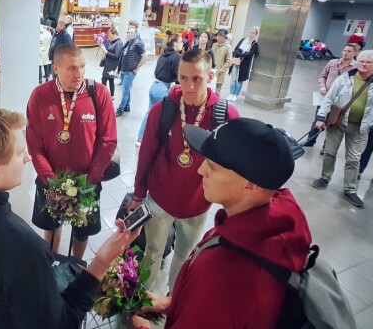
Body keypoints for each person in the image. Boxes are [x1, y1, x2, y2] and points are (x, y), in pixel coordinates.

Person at [0, 107, 140, 329]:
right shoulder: (21, 246)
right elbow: (60, 323)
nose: (28, 158)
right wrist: (101, 262)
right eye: (20, 151)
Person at [132, 118, 312, 329]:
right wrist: (172, 303)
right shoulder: (257, 223)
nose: (200, 171)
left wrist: (141, 327)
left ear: (250, 184)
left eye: (213, 167)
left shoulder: (228, 273)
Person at [129, 49, 239, 292]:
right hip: (160, 199)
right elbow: (146, 154)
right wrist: (138, 194)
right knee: (153, 251)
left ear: (210, 76)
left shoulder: (225, 115)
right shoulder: (163, 110)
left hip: (197, 203)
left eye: (196, 78)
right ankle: (142, 301)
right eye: (183, 78)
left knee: (184, 256)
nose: (189, 86)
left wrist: (232, 206)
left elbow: (233, 168)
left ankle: (173, 300)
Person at [27, 44, 117, 259]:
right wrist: (51, 181)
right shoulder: (40, 95)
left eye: (82, 66)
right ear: (56, 68)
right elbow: (34, 145)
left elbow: (108, 141)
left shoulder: (98, 93)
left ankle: (76, 266)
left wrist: (91, 180)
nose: (79, 74)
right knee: (51, 227)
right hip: (50, 181)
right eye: (72, 68)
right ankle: (51, 264)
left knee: (82, 231)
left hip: (88, 183)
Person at [311, 50, 373, 208]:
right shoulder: (344, 79)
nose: (363, 64)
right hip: (337, 122)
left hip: (361, 127)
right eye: (361, 61)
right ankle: (325, 177)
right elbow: (329, 99)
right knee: (329, 152)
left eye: (368, 62)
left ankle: (349, 188)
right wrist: (321, 117)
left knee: (354, 159)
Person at [302, 43, 358, 147]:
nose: (345, 53)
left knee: (333, 123)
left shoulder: (356, 68)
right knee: (318, 119)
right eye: (344, 50)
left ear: (355, 53)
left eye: (349, 51)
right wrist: (322, 86)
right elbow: (323, 76)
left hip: (341, 100)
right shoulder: (333, 63)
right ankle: (310, 141)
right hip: (325, 97)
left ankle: (326, 146)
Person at [136, 39, 183, 146]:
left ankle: (141, 137)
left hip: (154, 85)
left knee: (150, 112)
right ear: (175, 44)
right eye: (180, 42)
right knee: (167, 114)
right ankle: (161, 139)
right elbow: (177, 75)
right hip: (163, 88)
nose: (182, 44)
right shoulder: (177, 57)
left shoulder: (163, 54)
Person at [115, 26, 147, 117]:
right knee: (127, 89)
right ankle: (127, 106)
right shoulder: (128, 43)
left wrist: (137, 67)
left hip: (130, 71)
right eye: (128, 32)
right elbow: (122, 56)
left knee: (124, 91)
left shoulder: (137, 44)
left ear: (136, 34)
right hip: (124, 70)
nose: (129, 34)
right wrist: (119, 69)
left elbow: (145, 57)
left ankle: (121, 109)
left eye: (132, 32)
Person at [228, 26, 259, 101]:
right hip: (236, 62)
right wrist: (238, 53)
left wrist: (240, 54)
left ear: (256, 34)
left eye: (253, 33)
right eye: (250, 32)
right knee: (233, 79)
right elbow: (235, 49)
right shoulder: (243, 40)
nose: (251, 34)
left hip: (244, 64)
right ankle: (231, 93)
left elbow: (250, 54)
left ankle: (236, 94)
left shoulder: (254, 44)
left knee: (239, 80)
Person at [99, 26, 123, 98]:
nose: (109, 38)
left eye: (110, 36)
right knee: (111, 80)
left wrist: (105, 51)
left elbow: (117, 56)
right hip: (109, 65)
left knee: (104, 79)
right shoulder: (114, 42)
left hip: (112, 66)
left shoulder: (119, 43)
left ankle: (104, 95)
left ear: (115, 34)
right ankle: (111, 96)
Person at [211, 28, 232, 95]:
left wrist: (220, 71)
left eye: (221, 35)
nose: (219, 37)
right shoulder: (214, 45)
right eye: (218, 35)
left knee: (216, 93)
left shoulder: (228, 47)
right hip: (211, 72)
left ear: (225, 37)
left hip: (219, 74)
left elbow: (229, 61)